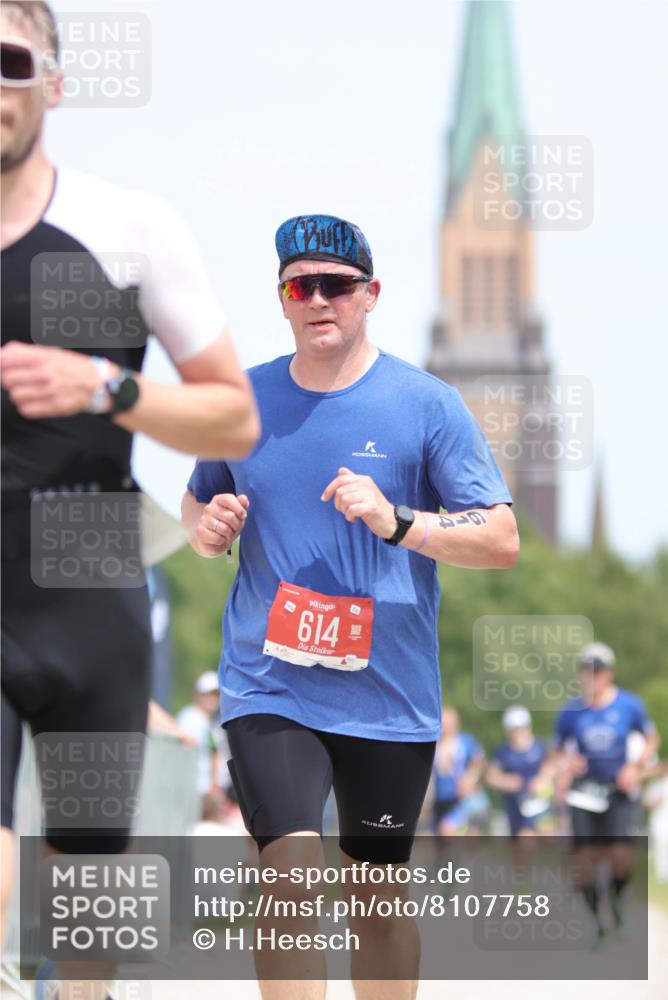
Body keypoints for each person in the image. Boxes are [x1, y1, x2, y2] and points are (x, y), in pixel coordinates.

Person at [182, 213, 519, 999]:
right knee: (289, 874)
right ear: (283, 298)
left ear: (372, 295)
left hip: (387, 696)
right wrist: (211, 529)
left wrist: (400, 520)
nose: (319, 300)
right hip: (270, 681)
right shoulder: (243, 399)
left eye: (337, 286)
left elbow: (500, 535)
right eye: (303, 286)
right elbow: (199, 510)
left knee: (374, 898)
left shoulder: (426, 405)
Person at [0, 0, 259, 993]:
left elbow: (233, 418)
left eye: (11, 60)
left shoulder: (129, 227)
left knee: (83, 940)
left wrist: (109, 389)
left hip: (86, 591)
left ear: (55, 83)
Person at [552, 642, 660, 940]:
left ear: (609, 673)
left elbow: (652, 739)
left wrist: (635, 768)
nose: (593, 677)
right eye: (587, 671)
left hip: (617, 790)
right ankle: (598, 921)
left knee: (621, 855)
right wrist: (566, 764)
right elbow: (555, 752)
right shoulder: (571, 711)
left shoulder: (629, 705)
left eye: (598, 671)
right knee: (584, 862)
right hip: (583, 791)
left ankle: (617, 900)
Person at [486, 705, 552, 837]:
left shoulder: (539, 747)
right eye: (514, 729)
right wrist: (505, 781)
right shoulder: (502, 752)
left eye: (521, 728)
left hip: (539, 803)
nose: (518, 733)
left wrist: (542, 780)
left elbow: (550, 766)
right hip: (514, 806)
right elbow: (490, 776)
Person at [429, 707, 487, 837]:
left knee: (448, 830)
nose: (446, 727)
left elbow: (479, 762)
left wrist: (469, 780)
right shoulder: (434, 745)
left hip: (463, 800)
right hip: (440, 800)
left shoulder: (466, 741)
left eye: (449, 724)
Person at [176, 671, 230, 801]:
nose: (212, 698)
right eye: (208, 694)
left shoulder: (214, 722)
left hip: (209, 792)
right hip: (195, 791)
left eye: (216, 694)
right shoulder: (190, 718)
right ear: (198, 695)